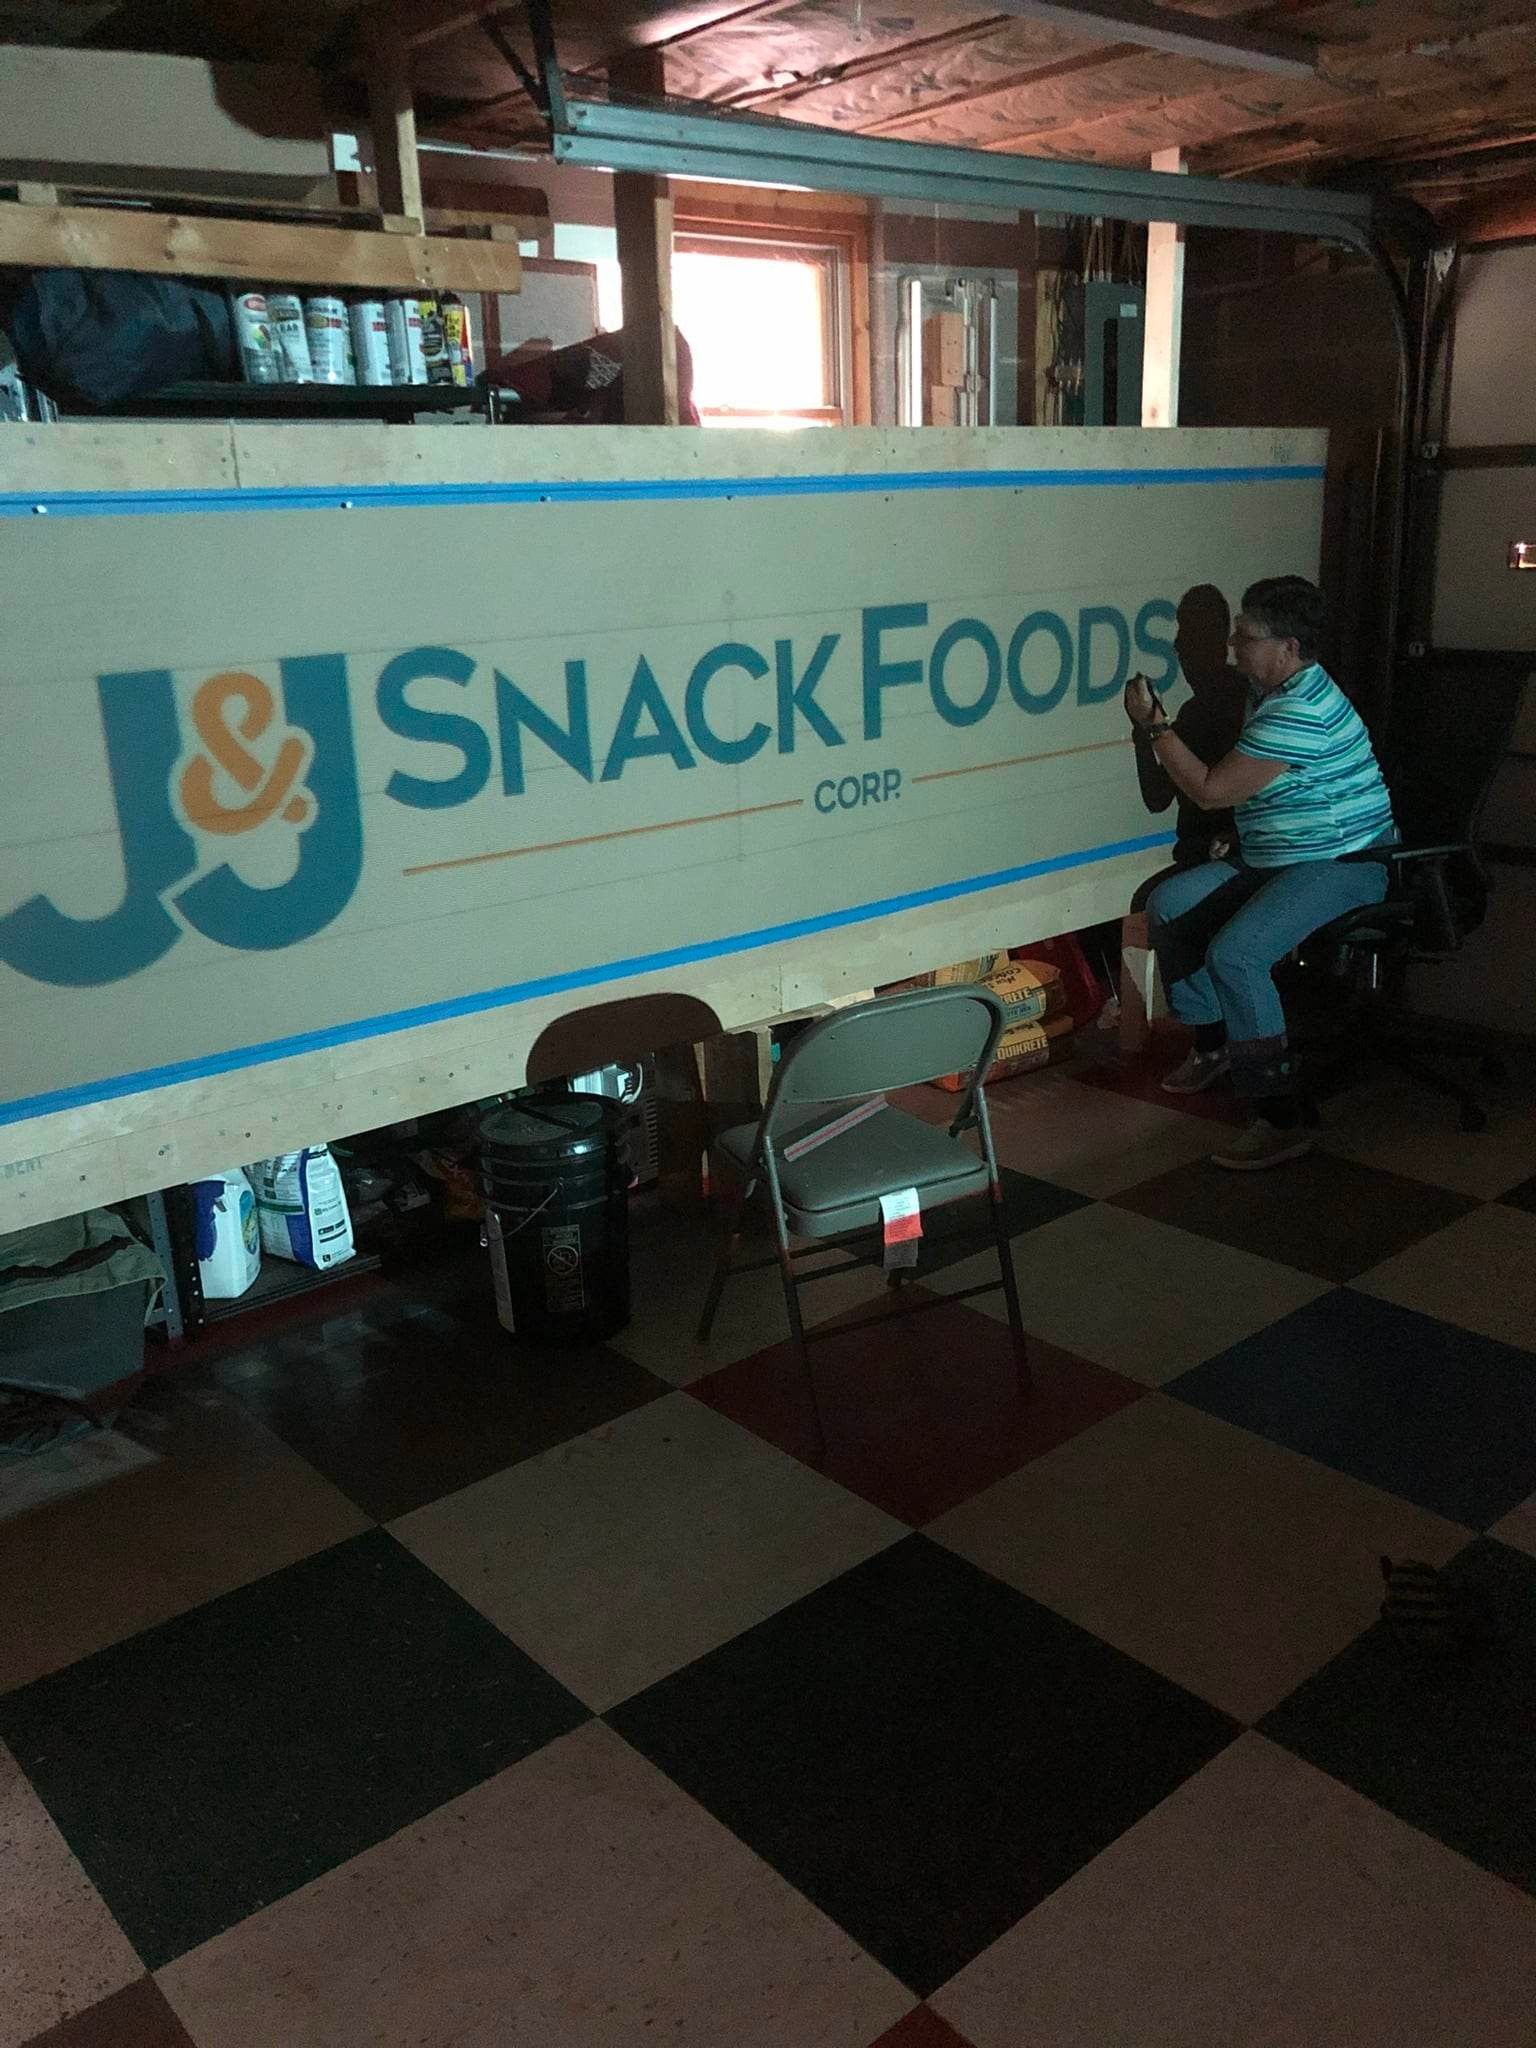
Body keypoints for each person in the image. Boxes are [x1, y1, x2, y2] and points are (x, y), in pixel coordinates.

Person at [1125, 575, 1397, 1170]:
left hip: (1345, 862)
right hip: (1281, 856)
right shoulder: (1266, 690)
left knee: (1237, 954)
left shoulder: (1299, 708)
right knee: (1170, 905)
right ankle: (1217, 1044)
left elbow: (1210, 789)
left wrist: (1152, 726)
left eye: (1245, 637)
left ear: (1289, 647)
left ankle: (1281, 1116)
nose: (1230, 645)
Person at [1129, 584, 1248, 912]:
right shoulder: (1196, 711)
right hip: (1202, 857)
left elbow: (1159, 797)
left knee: (1151, 904)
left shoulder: (1233, 706)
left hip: (1226, 859)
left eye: (1189, 635)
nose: (1179, 646)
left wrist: (1149, 728)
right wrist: (1144, 732)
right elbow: (1158, 797)